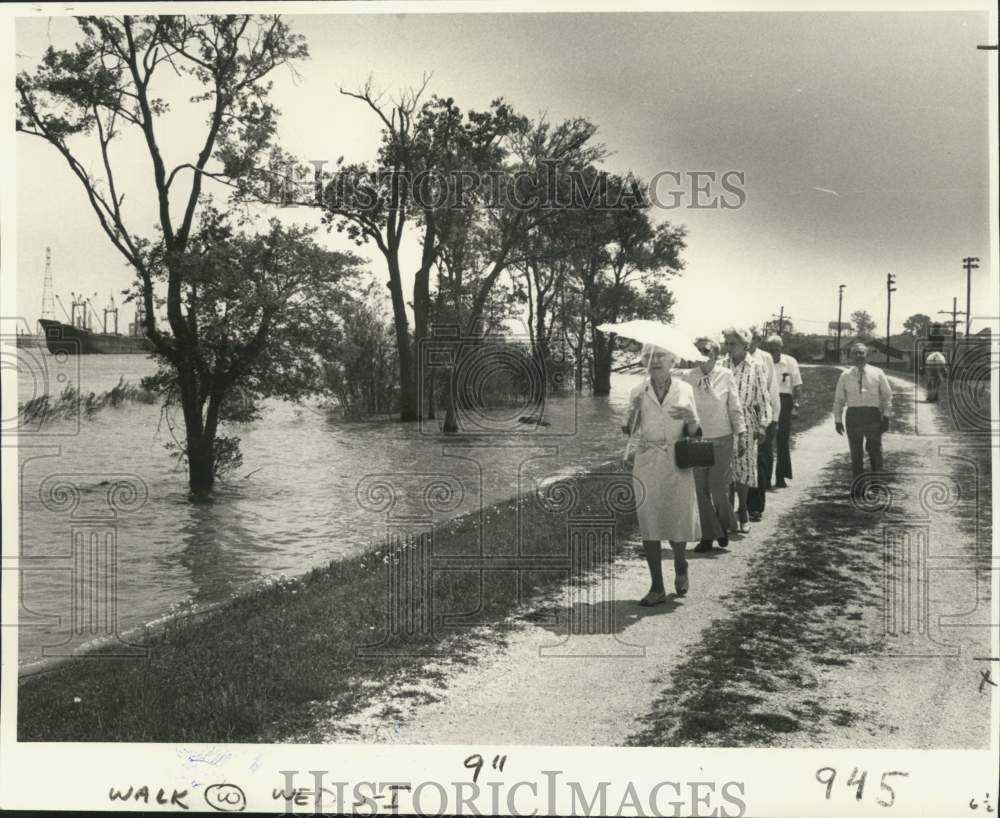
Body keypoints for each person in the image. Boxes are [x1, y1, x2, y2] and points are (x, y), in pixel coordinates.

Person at [623, 344, 702, 604]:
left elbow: (694, 433)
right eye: (649, 356)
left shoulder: (685, 389)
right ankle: (656, 586)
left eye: (660, 355)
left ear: (672, 359)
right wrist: (633, 411)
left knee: (678, 518)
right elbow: (629, 430)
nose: (654, 360)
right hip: (647, 462)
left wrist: (692, 417)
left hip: (677, 461)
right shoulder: (638, 390)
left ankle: (681, 565)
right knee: (650, 522)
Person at [682, 336, 746, 552]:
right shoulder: (687, 377)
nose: (702, 354)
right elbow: (681, 408)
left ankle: (724, 526)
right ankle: (709, 536)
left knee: (718, 489)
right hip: (697, 440)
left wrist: (742, 434)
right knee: (700, 491)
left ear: (717, 354)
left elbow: (735, 407)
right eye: (698, 350)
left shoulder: (726, 375)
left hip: (722, 439)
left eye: (706, 350)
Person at [720, 327, 772, 534]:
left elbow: (764, 399)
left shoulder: (756, 366)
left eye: (732, 343)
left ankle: (743, 509)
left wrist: (763, 424)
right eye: (726, 343)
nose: (728, 347)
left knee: (744, 468)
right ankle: (729, 513)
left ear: (745, 345)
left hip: (747, 424)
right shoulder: (720, 365)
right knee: (726, 469)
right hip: (722, 423)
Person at [833, 343, 893, 481]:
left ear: (867, 355)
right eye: (855, 353)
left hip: (872, 416)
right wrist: (837, 420)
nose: (858, 356)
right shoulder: (845, 375)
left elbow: (887, 396)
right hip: (853, 417)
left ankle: (877, 484)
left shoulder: (878, 373)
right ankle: (858, 486)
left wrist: (886, 417)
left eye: (861, 353)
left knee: (875, 451)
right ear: (851, 356)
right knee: (856, 454)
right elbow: (839, 399)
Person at [747, 331, 781, 520]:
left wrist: (772, 417)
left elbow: (772, 387)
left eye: (750, 338)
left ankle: (755, 507)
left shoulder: (764, 358)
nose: (747, 342)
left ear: (757, 341)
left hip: (761, 414)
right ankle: (741, 505)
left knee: (758, 460)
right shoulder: (731, 357)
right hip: (739, 415)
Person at [766, 335, 803, 488]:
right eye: (770, 349)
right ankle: (765, 478)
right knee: (765, 440)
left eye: (776, 349)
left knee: (782, 440)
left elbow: (797, 385)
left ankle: (781, 476)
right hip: (766, 400)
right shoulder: (762, 361)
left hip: (785, 400)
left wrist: (796, 405)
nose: (774, 352)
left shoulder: (790, 362)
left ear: (781, 348)